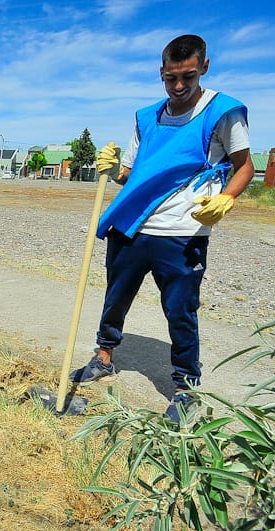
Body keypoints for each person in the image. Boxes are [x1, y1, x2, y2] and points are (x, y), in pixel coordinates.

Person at [68, 34, 253, 424]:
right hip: (131, 227)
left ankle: (185, 387)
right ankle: (104, 356)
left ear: (204, 66)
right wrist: (113, 170)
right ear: (161, 74)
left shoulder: (222, 112)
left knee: (181, 311)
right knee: (115, 298)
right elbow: (135, 177)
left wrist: (229, 198)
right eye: (171, 78)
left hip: (183, 233)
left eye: (187, 76)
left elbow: (245, 166)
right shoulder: (147, 116)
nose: (179, 86)